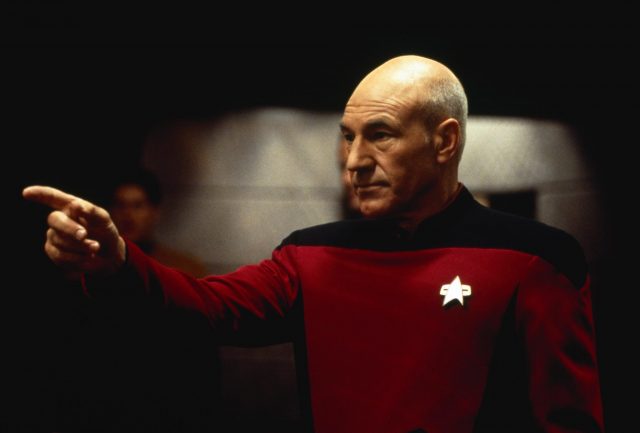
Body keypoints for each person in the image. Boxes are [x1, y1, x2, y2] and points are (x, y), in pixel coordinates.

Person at [24, 55, 604, 433]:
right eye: (348, 138)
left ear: (444, 141)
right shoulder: (310, 254)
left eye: (379, 135)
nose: (354, 162)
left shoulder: (536, 258)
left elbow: (569, 421)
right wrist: (120, 264)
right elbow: (207, 306)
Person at [109, 168, 207, 277]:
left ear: (155, 212)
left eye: (137, 206)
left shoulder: (183, 268)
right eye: (120, 206)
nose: (128, 215)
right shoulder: (102, 267)